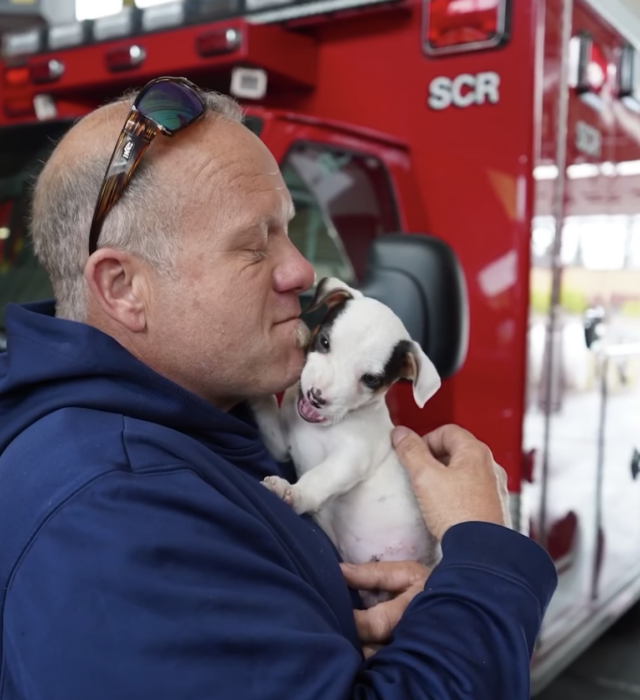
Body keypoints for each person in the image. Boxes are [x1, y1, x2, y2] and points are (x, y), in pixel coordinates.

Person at [0, 77, 557, 700]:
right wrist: (485, 563)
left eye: (289, 230)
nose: (301, 270)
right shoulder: (109, 519)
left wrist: (429, 618)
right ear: (125, 288)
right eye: (254, 243)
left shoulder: (205, 419)